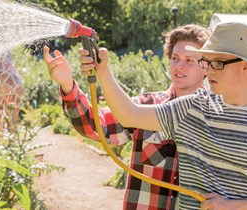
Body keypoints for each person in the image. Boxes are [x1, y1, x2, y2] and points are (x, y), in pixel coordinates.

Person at [77, 22, 247, 210]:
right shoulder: (192, 108)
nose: (207, 70)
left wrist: (235, 206)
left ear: (245, 66)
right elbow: (130, 115)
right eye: (206, 62)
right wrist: (103, 71)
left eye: (217, 63)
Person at [44, 24, 211, 210]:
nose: (179, 66)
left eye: (189, 60)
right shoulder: (145, 107)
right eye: (175, 58)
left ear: (207, 67)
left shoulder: (218, 117)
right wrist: (68, 86)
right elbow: (95, 126)